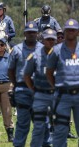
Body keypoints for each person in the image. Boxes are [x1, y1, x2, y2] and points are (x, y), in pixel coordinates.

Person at [8, 21, 43, 147]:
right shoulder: (17, 50)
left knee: (41, 125)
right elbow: (10, 70)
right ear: (24, 33)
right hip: (22, 91)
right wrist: (16, 85)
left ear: (37, 33)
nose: (31, 35)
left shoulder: (43, 49)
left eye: (34, 32)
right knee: (22, 125)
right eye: (29, 32)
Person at [46, 19, 79, 147]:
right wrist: (57, 87)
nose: (70, 32)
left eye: (73, 30)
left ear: (78, 32)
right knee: (60, 131)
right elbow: (49, 72)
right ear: (64, 32)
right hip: (62, 96)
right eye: (68, 30)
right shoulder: (56, 50)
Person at [24, 28, 57, 147]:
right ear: (42, 40)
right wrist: (33, 89)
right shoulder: (35, 56)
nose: (50, 42)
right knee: (40, 125)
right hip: (41, 95)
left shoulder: (60, 55)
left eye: (52, 39)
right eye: (47, 39)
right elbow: (27, 75)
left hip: (56, 95)